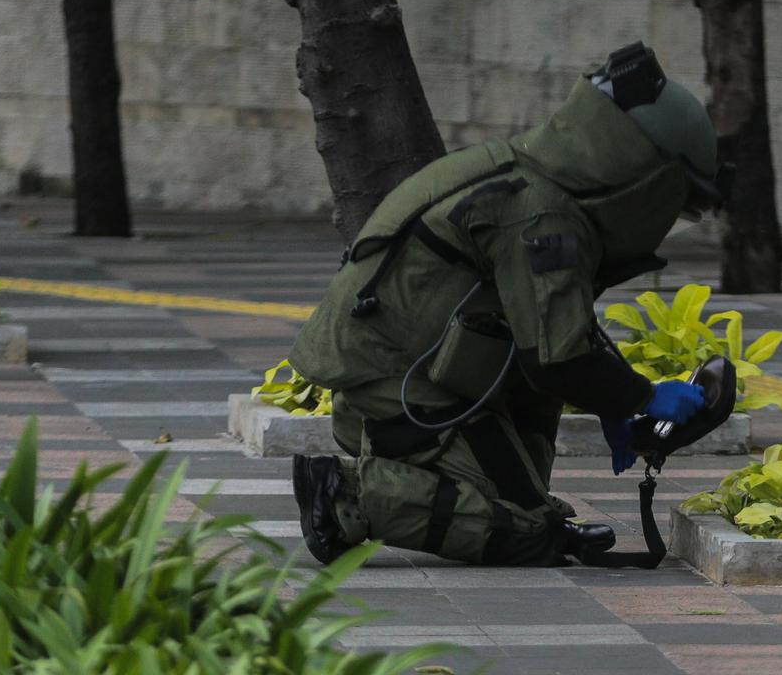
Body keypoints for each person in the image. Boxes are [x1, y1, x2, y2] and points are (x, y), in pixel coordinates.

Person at [288, 42, 728, 567]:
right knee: (528, 535)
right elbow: (557, 360)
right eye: (677, 205)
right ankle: (346, 495)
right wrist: (644, 395)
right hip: (396, 389)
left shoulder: (530, 181)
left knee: (531, 507)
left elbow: (553, 327)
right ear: (642, 177)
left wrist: (616, 402)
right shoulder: (541, 214)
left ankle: (461, 488)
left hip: (422, 373)